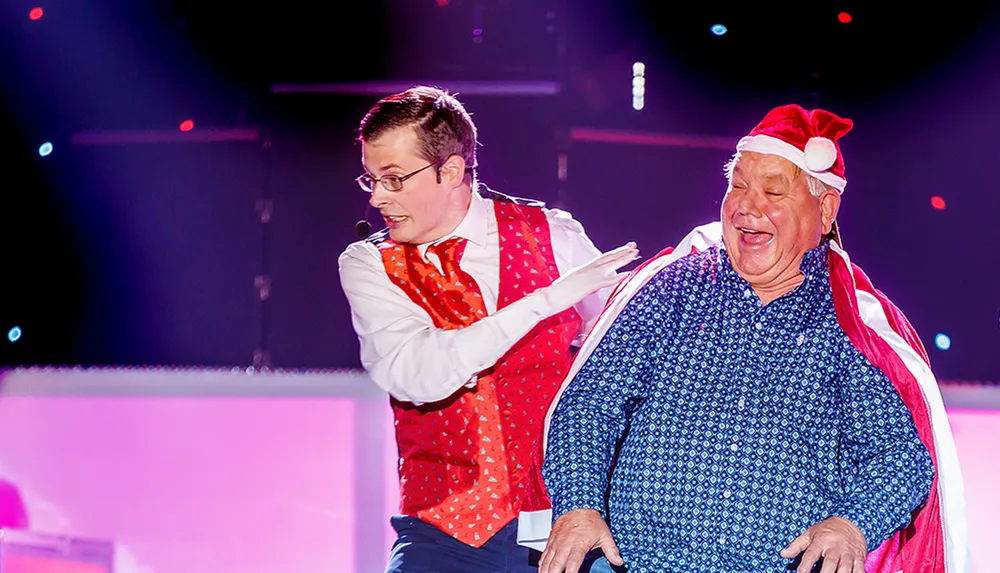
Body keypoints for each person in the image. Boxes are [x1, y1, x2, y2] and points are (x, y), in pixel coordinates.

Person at [537, 104, 969, 573]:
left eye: (772, 190)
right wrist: (579, 506)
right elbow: (591, 402)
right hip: (633, 563)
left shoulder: (851, 325)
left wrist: (851, 526)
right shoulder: (671, 289)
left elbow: (898, 457)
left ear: (823, 210)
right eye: (737, 186)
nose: (746, 206)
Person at [338, 86, 638, 573]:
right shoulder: (370, 264)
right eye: (370, 179)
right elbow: (420, 375)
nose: (377, 198)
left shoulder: (551, 234)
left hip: (558, 521)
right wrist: (544, 303)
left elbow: (630, 354)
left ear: (451, 171)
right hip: (443, 529)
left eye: (393, 180)